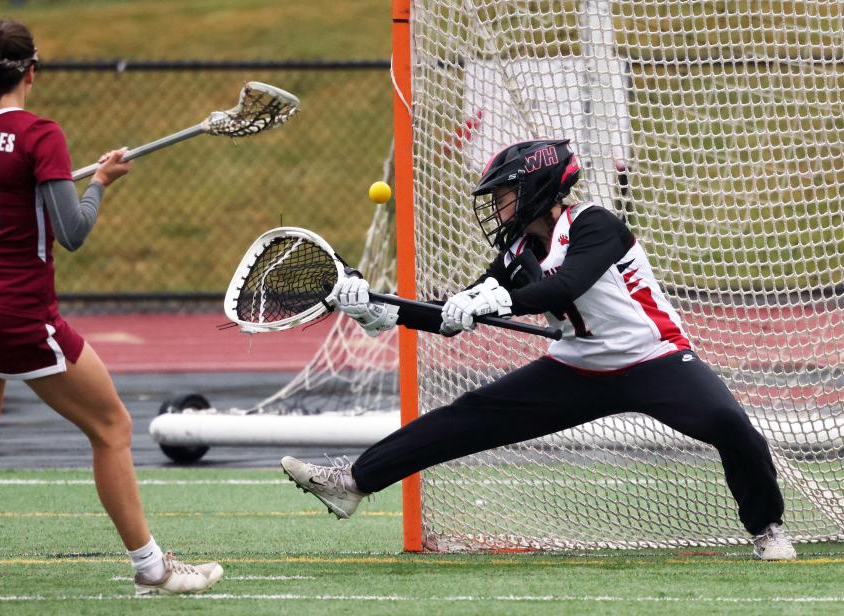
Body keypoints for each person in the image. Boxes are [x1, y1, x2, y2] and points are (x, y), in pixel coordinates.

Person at [281, 139, 796, 560]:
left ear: (536, 187)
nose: (496, 205)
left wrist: (498, 297)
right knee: (465, 417)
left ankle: (766, 528)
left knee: (729, 424)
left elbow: (565, 286)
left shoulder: (596, 224)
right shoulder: (517, 251)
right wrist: (375, 307)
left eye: (504, 193)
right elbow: (452, 315)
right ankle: (352, 482)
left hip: (653, 358)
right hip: (576, 368)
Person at [0, 21, 222, 594]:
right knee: (113, 426)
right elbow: (72, 232)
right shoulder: (39, 134)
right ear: (29, 73)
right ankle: (152, 567)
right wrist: (101, 184)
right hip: (20, 313)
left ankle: (152, 565)